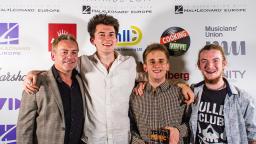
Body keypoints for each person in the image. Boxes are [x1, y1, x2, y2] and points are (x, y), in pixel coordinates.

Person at [23, 14, 194, 144]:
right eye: (102, 34)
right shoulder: (82, 63)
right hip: (92, 140)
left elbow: (155, 75)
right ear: (92, 40)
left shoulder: (129, 64)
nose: (107, 39)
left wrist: (181, 84)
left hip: (123, 139)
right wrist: (34, 74)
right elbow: (60, 69)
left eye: (111, 34)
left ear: (116, 37)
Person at [16, 34, 86, 144]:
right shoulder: (35, 81)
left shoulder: (80, 80)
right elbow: (24, 128)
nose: (70, 56)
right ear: (53, 56)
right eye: (64, 52)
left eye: (74, 52)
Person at [189, 44, 256, 144]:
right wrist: (181, 85)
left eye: (215, 60)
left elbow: (253, 137)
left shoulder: (243, 98)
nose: (210, 65)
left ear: (224, 63)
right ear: (199, 65)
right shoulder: (193, 92)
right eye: (204, 61)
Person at [129, 43, 189, 144]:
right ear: (145, 67)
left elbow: (191, 124)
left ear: (167, 66)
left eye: (161, 61)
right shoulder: (134, 96)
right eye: (152, 62)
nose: (156, 65)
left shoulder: (181, 94)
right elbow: (129, 127)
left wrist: (178, 131)